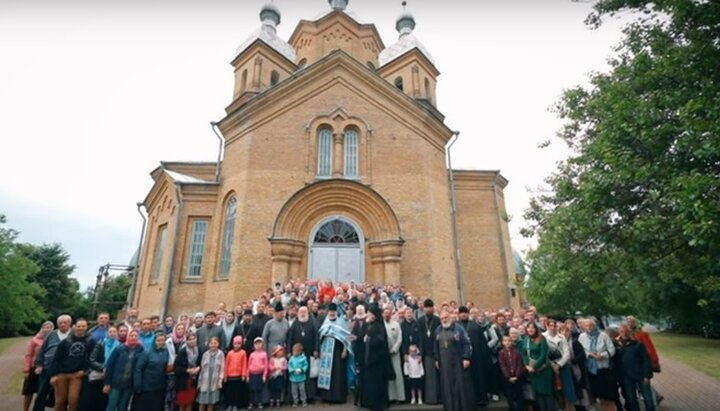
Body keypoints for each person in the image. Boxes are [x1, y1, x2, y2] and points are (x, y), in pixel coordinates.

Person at [49, 318, 96, 411]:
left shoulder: (91, 342)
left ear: (87, 327)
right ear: (74, 327)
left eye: (83, 326)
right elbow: (56, 358)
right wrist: (53, 375)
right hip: (62, 374)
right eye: (79, 326)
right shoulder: (66, 341)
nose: (81, 328)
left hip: (76, 375)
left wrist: (85, 371)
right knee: (60, 401)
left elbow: (92, 359)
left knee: (73, 401)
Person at [434, 309, 474, 411]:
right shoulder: (438, 330)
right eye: (442, 318)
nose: (444, 320)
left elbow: (466, 343)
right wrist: (437, 359)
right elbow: (435, 347)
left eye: (446, 317)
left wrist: (466, 357)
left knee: (460, 387)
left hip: (458, 362)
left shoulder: (458, 329)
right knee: (447, 387)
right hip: (444, 363)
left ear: (450, 317)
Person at [317, 303, 354, 404]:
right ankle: (326, 397)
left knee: (338, 374)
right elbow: (320, 337)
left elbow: (346, 338)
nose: (332, 313)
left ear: (336, 312)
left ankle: (339, 397)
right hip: (326, 352)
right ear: (328, 312)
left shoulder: (341, 323)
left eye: (333, 311)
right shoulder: (325, 323)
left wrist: (345, 350)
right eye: (330, 311)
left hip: (338, 352)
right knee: (327, 374)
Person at [33, 314, 72, 411]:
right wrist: (39, 365)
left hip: (65, 369)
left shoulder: (74, 334)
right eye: (60, 323)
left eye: (65, 322)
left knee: (63, 395)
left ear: (70, 324)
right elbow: (42, 351)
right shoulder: (51, 334)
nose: (62, 324)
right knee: (41, 392)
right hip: (47, 367)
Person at [357, 304, 391, 411]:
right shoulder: (366, 325)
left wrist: (369, 340)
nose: (368, 315)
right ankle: (366, 402)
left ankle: (377, 404)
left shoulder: (379, 326)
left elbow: (381, 341)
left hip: (376, 361)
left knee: (376, 385)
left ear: (375, 316)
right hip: (367, 361)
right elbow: (361, 337)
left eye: (370, 314)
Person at [578, 319, 617, 411]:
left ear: (594, 326)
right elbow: (581, 350)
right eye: (587, 326)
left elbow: (612, 349)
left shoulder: (603, 335)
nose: (589, 328)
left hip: (603, 368)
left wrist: (603, 355)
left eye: (591, 325)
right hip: (591, 370)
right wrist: (589, 354)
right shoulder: (582, 337)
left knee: (608, 395)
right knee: (597, 395)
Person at [614, 323, 655, 411]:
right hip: (626, 377)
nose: (624, 333)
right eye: (621, 331)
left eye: (626, 331)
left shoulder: (638, 344)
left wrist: (647, 375)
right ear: (619, 332)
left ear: (629, 332)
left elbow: (646, 360)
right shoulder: (615, 345)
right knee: (631, 399)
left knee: (648, 399)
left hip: (641, 375)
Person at [104, 329, 144, 411]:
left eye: (135, 336)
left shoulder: (140, 350)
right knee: (111, 406)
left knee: (123, 407)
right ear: (128, 337)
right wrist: (107, 383)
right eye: (131, 336)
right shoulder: (119, 349)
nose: (133, 338)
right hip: (116, 382)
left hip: (129, 384)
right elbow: (110, 365)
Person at [458, 305, 490, 406]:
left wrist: (485, 358)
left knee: (478, 378)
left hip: (477, 357)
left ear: (468, 314)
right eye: (461, 313)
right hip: (462, 357)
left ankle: (481, 399)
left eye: (465, 312)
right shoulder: (456, 326)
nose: (463, 314)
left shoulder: (475, 326)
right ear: (459, 314)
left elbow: (483, 344)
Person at [519, 322, 556, 411]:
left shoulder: (542, 339)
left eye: (533, 328)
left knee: (547, 393)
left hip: (543, 370)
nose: (530, 330)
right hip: (532, 372)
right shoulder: (525, 340)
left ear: (536, 329)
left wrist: (534, 367)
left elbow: (543, 355)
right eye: (528, 328)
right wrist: (527, 366)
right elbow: (523, 354)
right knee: (538, 394)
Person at [82, 325, 118, 411]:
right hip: (99, 374)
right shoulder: (101, 344)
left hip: (111, 376)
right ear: (107, 334)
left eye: (114, 332)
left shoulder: (120, 346)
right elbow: (92, 359)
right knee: (94, 398)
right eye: (110, 332)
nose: (112, 334)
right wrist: (102, 368)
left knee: (105, 400)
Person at [543, 319, 576, 411]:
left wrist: (559, 364)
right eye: (551, 326)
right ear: (547, 326)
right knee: (553, 390)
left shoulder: (562, 337)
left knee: (567, 389)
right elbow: (543, 353)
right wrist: (552, 365)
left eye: (555, 326)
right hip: (549, 367)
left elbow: (567, 353)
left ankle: (568, 408)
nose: (553, 328)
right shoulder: (542, 337)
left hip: (562, 365)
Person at [286, 306, 318, 402]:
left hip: (308, 352)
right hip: (295, 355)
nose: (303, 314)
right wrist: (288, 351)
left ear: (307, 313)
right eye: (301, 312)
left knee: (307, 374)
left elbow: (317, 337)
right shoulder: (295, 324)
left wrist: (316, 350)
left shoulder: (312, 323)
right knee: (295, 373)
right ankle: (295, 397)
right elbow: (289, 338)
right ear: (298, 313)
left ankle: (308, 396)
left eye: (304, 312)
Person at [133, 332, 170, 411]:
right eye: (158, 340)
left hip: (160, 386)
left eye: (162, 340)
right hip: (147, 386)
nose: (161, 342)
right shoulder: (147, 353)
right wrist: (138, 383)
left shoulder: (165, 352)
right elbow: (138, 368)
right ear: (154, 341)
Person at [23, 321, 53, 411]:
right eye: (45, 327)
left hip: (46, 368)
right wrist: (26, 369)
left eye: (49, 327)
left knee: (42, 392)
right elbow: (29, 354)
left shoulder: (53, 339)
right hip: (34, 367)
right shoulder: (35, 340)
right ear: (42, 328)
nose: (47, 329)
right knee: (29, 391)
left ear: (52, 329)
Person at [418, 299, 441, 404]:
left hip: (437, 352)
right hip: (426, 353)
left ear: (433, 308)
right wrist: (420, 353)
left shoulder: (437, 320)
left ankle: (440, 397)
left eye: (430, 307)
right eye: (426, 307)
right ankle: (430, 399)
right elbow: (419, 338)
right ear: (424, 308)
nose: (428, 309)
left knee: (438, 376)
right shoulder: (420, 320)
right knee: (429, 377)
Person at [383, 306, 405, 403]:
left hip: (395, 353)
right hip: (385, 354)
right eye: (385, 313)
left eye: (389, 313)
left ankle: (400, 397)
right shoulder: (381, 324)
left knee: (397, 374)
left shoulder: (396, 324)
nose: (387, 314)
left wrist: (394, 349)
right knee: (388, 376)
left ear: (391, 313)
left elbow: (400, 339)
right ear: (383, 314)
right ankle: (390, 397)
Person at [174, 333, 201, 411]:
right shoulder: (182, 352)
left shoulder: (199, 350)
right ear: (186, 341)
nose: (192, 341)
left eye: (194, 339)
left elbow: (201, 363)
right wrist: (187, 370)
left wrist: (198, 368)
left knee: (190, 402)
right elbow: (177, 368)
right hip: (183, 381)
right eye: (190, 339)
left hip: (193, 380)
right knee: (182, 403)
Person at [198, 336, 225, 411]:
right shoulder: (205, 354)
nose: (213, 345)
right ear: (209, 344)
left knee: (211, 402)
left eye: (215, 343)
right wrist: (199, 382)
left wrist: (220, 380)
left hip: (214, 381)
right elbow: (202, 369)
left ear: (218, 344)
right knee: (202, 402)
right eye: (211, 343)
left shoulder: (221, 354)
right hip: (205, 380)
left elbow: (222, 368)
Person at [499, 335, 525, 411]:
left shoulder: (517, 352)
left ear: (512, 342)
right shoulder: (501, 353)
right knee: (510, 396)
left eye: (509, 341)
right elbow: (502, 366)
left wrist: (517, 376)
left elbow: (519, 364)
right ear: (502, 342)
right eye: (505, 341)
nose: (507, 343)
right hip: (508, 378)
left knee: (519, 395)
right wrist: (508, 377)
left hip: (517, 377)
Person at [225, 336, 249, 411]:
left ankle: (236, 405)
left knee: (237, 392)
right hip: (230, 375)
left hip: (238, 376)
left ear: (241, 344)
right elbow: (226, 364)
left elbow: (244, 364)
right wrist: (225, 376)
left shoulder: (243, 352)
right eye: (235, 343)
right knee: (229, 392)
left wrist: (243, 375)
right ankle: (229, 404)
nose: (237, 345)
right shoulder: (230, 353)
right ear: (233, 344)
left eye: (239, 343)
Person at [247, 337, 269, 410]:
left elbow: (266, 365)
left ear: (262, 345)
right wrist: (247, 375)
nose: (258, 345)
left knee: (259, 389)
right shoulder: (252, 354)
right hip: (252, 374)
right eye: (256, 344)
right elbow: (249, 365)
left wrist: (264, 375)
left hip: (260, 374)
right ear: (254, 345)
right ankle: (251, 403)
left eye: (259, 344)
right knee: (251, 390)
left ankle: (259, 402)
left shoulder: (264, 354)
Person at [288, 343, 309, 408]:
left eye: (296, 351)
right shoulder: (291, 358)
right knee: (294, 391)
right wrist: (292, 370)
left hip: (301, 378)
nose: (294, 352)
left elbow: (306, 365)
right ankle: (295, 401)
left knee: (302, 390)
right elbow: (289, 365)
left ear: (300, 351)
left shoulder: (303, 358)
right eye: (293, 351)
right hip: (293, 378)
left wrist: (302, 370)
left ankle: (304, 401)